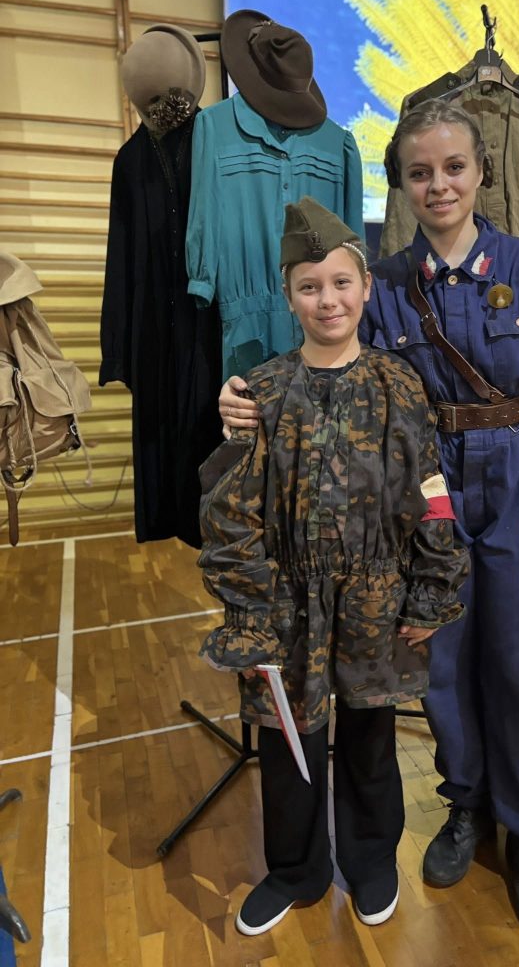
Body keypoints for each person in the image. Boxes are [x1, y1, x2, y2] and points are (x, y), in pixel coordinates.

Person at [220, 100, 519, 932]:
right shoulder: (383, 285)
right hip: (420, 496)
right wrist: (238, 394)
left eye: (453, 167)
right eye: (419, 173)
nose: (438, 185)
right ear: (402, 185)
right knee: (443, 668)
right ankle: (463, 807)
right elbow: (335, 355)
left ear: (481, 171)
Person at [199, 197, 469, 936]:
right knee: (289, 741)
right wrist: (251, 613)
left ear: (366, 288)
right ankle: (295, 869)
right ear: (289, 296)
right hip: (285, 604)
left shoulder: (398, 384)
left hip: (378, 594)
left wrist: (430, 593)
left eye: (342, 282)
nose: (329, 300)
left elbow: (432, 494)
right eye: (311, 286)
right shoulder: (262, 392)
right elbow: (231, 515)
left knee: (370, 736)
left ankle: (372, 859)